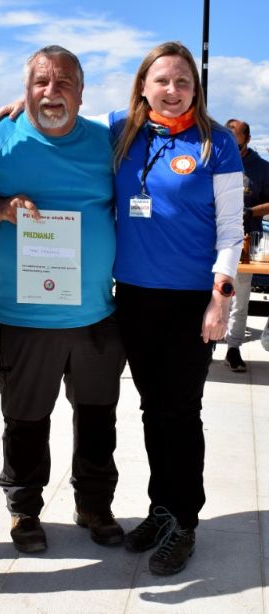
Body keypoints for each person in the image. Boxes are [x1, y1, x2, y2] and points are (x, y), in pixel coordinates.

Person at [0, 45, 126, 554]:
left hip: (96, 314)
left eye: (63, 83)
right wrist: (0, 208)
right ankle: (24, 510)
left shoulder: (107, 142)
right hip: (26, 317)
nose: (51, 92)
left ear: (82, 92)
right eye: (40, 82)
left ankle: (95, 505)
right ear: (25, 88)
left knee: (98, 419)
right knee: (25, 421)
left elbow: (160, 110)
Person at [110, 41, 243, 575]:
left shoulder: (216, 142)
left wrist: (220, 298)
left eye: (183, 81)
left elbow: (231, 229)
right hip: (135, 296)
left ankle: (184, 521)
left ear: (196, 88)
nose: (172, 89)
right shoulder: (121, 130)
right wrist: (19, 105)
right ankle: (160, 508)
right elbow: (62, 117)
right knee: (151, 408)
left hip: (192, 301)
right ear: (143, 86)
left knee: (181, 412)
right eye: (161, 80)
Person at [223, 119, 269, 372]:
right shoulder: (215, 160)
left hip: (246, 245)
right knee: (208, 296)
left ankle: (233, 348)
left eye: (236, 139)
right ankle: (204, 346)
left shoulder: (261, 168)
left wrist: (250, 211)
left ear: (247, 140)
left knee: (239, 301)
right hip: (212, 242)